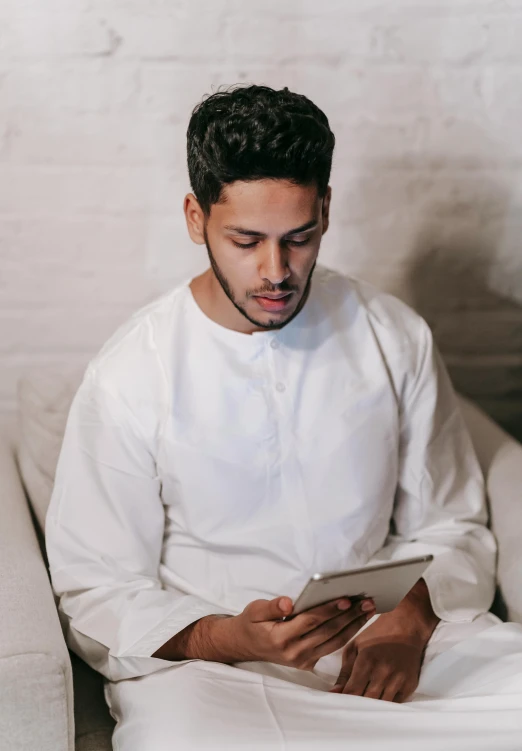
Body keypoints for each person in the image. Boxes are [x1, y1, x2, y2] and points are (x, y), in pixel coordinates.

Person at [46, 85, 522, 751]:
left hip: (393, 639)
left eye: (299, 238)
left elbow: (453, 522)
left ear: (325, 210)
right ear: (194, 217)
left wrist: (411, 614)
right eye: (246, 240)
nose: (276, 271)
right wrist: (225, 635)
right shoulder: (131, 370)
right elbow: (98, 586)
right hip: (217, 673)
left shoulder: (393, 335)